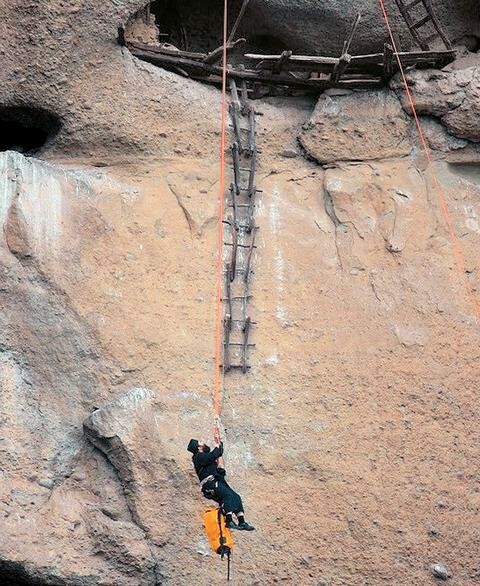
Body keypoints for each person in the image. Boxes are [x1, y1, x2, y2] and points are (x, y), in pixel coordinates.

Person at [187, 438, 255, 531]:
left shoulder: (204, 457)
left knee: (236, 497)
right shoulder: (198, 457)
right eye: (201, 442)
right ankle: (229, 520)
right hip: (210, 484)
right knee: (227, 496)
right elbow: (213, 455)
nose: (204, 443)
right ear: (199, 447)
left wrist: (219, 466)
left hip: (215, 483)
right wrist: (217, 447)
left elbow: (215, 456)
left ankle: (241, 521)